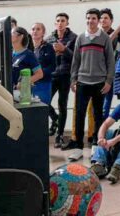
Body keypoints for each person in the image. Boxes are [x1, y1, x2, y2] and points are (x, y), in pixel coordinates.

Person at [64, 8, 115, 160]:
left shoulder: (105, 38)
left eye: (93, 18)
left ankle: (95, 146)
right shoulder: (80, 38)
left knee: (98, 115)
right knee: (79, 115)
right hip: (82, 82)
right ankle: (78, 147)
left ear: (98, 20)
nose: (90, 21)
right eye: (88, 18)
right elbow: (76, 61)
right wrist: (73, 79)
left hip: (99, 82)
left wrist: (108, 81)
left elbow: (110, 61)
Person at [48, 12, 77, 147]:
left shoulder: (74, 38)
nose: (60, 23)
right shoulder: (49, 39)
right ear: (55, 23)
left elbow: (76, 58)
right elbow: (46, 57)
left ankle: (59, 135)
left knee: (62, 105)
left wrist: (64, 49)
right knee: (44, 102)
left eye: (63, 21)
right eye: (58, 21)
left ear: (67, 23)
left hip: (65, 75)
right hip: (52, 75)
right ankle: (55, 119)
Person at [30, 22, 54, 111]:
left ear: (43, 32)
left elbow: (52, 67)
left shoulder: (48, 47)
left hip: (43, 84)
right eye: (33, 29)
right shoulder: (28, 48)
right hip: (29, 84)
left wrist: (39, 74)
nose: (35, 31)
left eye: (38, 29)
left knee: (41, 111)